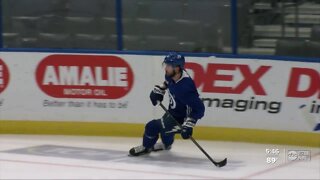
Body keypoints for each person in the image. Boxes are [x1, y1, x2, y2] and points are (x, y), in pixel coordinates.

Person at [129, 52, 205, 156]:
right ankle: (166, 145)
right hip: (173, 112)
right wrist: (159, 90)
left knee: (152, 126)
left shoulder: (185, 87)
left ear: (177, 68)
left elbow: (199, 108)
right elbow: (167, 82)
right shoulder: (173, 74)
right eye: (166, 65)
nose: (166, 68)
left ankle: (146, 147)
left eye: (169, 66)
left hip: (181, 120)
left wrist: (189, 125)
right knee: (165, 128)